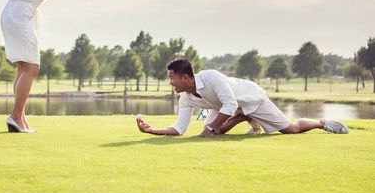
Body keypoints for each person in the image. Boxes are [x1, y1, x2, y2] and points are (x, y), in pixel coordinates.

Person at [136, 58, 349, 138]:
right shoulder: (185, 98)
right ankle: (244, 118)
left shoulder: (212, 77)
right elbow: (179, 128)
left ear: (185, 77)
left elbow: (230, 103)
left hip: (251, 99)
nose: (170, 82)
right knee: (217, 130)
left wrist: (208, 128)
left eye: (172, 78)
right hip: (229, 108)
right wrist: (152, 130)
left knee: (290, 129)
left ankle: (320, 122)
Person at [0, 0, 69, 133]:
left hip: (9, 12)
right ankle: (15, 115)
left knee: (23, 67)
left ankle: (20, 117)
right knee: (32, 67)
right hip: (21, 17)